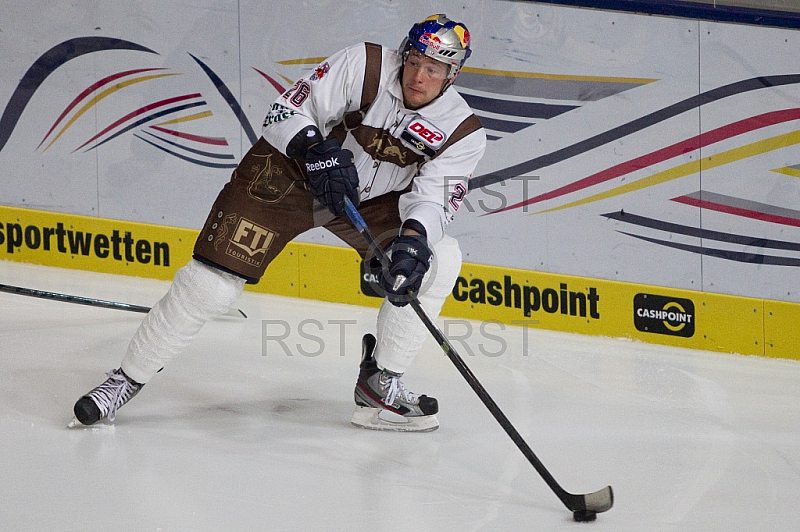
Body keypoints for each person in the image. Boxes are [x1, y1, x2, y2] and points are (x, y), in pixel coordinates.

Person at [71, 14, 486, 432]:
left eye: (433, 68)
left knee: (439, 259)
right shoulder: (367, 65)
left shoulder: (463, 132)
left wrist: (413, 240)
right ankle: (125, 380)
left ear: (452, 74)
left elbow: (435, 198)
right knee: (210, 285)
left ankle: (382, 382)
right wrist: (314, 149)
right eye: (415, 60)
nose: (418, 75)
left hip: (371, 202)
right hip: (290, 174)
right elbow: (287, 108)